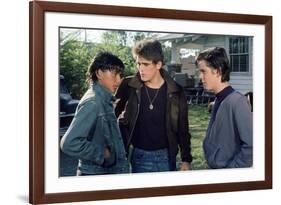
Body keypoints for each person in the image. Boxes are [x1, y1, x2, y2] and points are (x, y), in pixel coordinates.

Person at [115, 39, 192, 173]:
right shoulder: (129, 85)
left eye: (145, 64)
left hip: (166, 158)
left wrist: (186, 160)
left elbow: (182, 128)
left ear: (158, 64)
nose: (140, 69)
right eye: (138, 64)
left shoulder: (176, 91)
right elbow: (112, 117)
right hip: (139, 156)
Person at [60, 51, 129, 175]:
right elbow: (69, 143)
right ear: (99, 73)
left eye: (120, 74)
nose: (119, 80)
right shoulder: (93, 102)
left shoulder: (103, 99)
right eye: (114, 74)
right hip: (97, 175)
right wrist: (103, 154)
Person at [195, 47, 252, 168]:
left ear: (218, 71)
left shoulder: (237, 102)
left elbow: (251, 146)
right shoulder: (218, 99)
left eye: (203, 71)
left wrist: (231, 171)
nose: (200, 77)